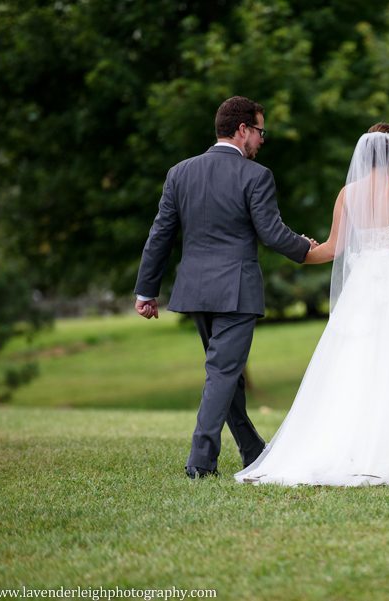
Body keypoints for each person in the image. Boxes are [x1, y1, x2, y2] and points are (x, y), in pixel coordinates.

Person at [235, 123, 389, 486]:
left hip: (361, 284)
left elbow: (332, 249)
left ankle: (350, 447)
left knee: (355, 361)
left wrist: (298, 250)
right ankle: (386, 454)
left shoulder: (349, 193)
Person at [133, 96, 318, 479]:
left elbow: (160, 236)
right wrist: (306, 248)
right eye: (260, 131)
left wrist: (145, 291)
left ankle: (252, 451)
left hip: (195, 290)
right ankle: (200, 462)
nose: (262, 141)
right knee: (222, 373)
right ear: (242, 130)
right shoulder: (256, 176)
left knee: (226, 374)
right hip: (235, 291)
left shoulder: (179, 172)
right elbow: (271, 232)